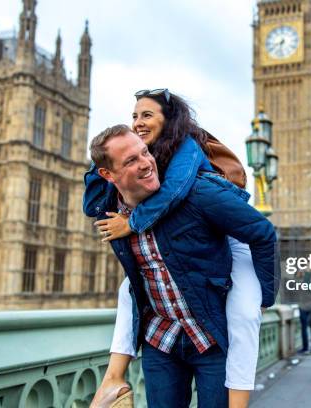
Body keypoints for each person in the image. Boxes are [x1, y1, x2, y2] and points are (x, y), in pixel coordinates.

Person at [86, 91, 274, 407]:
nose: (138, 123)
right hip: (163, 336)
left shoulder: (188, 158)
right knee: (128, 291)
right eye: (134, 117)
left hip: (213, 320)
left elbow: (175, 192)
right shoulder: (115, 198)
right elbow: (93, 200)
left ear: (169, 120)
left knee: (244, 314)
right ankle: (113, 378)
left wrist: (266, 295)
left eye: (147, 115)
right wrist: (98, 166)